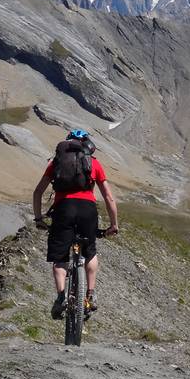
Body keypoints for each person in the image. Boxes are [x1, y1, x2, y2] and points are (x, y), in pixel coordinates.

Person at [32, 129, 119, 319]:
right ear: (87, 145)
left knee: (60, 258)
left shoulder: (55, 163)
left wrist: (39, 219)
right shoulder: (94, 163)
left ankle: (61, 296)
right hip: (87, 210)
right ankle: (90, 294)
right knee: (90, 252)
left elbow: (38, 192)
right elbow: (109, 198)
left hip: (63, 209)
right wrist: (113, 225)